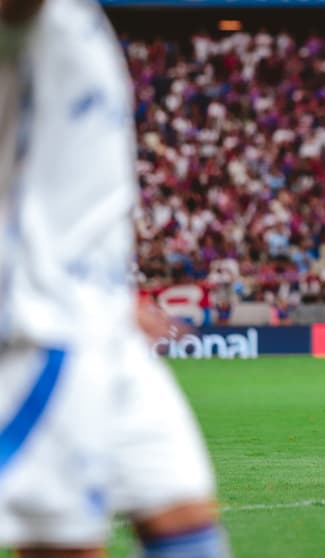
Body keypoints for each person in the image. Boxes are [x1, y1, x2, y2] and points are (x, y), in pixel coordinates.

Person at [0, 1, 228, 556]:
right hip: (45, 322)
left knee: (183, 512)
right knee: (66, 544)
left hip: (99, 317)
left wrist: (111, 296)